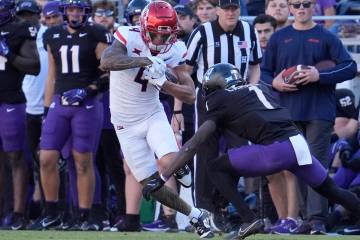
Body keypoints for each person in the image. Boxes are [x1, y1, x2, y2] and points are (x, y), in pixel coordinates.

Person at [143, 62, 360, 240]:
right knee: (333, 191)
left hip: (277, 149)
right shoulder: (260, 87)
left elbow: (195, 143)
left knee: (215, 167)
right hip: (297, 144)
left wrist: (163, 175)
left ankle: (248, 219)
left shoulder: (219, 100)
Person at [100, 1, 214, 238]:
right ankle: (195, 215)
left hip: (152, 114)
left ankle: (182, 171)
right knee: (150, 184)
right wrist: (144, 61)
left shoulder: (176, 48)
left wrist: (164, 83)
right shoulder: (127, 36)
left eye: (166, 36)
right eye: (156, 35)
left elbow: (191, 94)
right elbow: (107, 62)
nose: (161, 42)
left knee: (169, 161)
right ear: (143, 28)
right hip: (124, 123)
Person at [261, 0, 358, 234]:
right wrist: (274, 82)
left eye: (306, 3)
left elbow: (349, 67)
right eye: (296, 4)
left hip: (318, 112)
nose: (301, 8)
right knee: (292, 167)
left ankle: (317, 220)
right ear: (291, 8)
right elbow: (264, 71)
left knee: (317, 166)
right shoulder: (279, 38)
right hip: (287, 113)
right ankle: (299, 218)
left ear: (314, 6)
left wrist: (319, 74)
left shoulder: (326, 36)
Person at [37, 0, 112, 229]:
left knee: (82, 161)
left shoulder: (97, 33)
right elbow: (51, 75)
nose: (75, 13)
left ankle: (85, 216)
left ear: (85, 12)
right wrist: (47, 108)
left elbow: (109, 72)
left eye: (79, 9)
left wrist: (88, 90)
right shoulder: (52, 35)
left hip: (86, 104)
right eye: (71, 9)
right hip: (60, 102)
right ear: (64, 11)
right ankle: (52, 212)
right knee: (47, 157)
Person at [185, 0, 262, 221]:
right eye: (226, 8)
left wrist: (252, 90)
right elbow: (186, 70)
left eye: (234, 8)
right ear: (218, 10)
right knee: (204, 152)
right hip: (208, 100)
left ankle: (221, 199)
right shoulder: (202, 32)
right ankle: (203, 210)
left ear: (239, 9)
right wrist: (183, 105)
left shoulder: (249, 30)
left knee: (243, 154)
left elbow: (255, 65)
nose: (230, 12)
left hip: (239, 100)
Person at [0, 0, 40, 229]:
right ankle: (3, 210)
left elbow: (34, 66)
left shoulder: (19, 29)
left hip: (10, 100)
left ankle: (17, 213)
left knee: (15, 158)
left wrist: (8, 54)